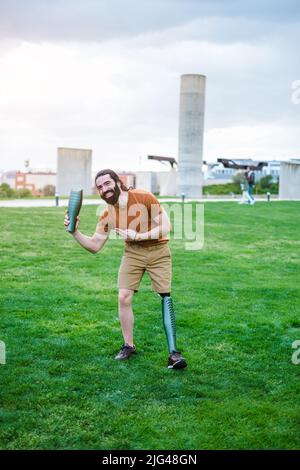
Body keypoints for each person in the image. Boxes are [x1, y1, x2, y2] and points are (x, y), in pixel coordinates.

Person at [64, 169, 187, 370]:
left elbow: (166, 226)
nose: (104, 189)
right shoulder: (107, 215)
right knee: (123, 297)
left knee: (165, 296)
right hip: (133, 253)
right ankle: (129, 345)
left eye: (107, 184)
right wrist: (75, 232)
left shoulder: (144, 197)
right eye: (100, 187)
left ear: (118, 182)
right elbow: (95, 245)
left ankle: (174, 354)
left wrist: (139, 235)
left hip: (158, 251)